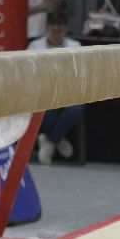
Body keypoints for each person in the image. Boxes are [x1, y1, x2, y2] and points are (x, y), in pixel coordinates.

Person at [28, 11, 84, 163]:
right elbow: (29, 71)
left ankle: (49, 140)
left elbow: (79, 72)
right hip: (43, 91)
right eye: (53, 31)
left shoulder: (75, 46)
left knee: (76, 109)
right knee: (49, 107)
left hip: (68, 91)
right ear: (47, 28)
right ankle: (57, 139)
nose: (56, 35)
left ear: (65, 30)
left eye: (60, 31)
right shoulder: (35, 46)